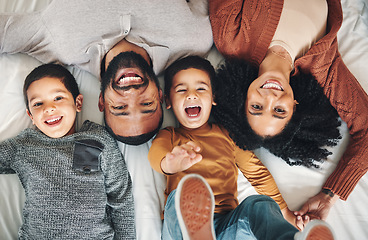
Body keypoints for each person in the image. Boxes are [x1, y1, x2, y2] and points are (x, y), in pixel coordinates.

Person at [0, 1, 213, 238]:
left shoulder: (58, 40)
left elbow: (120, 198)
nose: (132, 94)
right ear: (161, 96)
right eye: (146, 104)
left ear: (100, 101)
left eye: (120, 107)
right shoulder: (195, 37)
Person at [209, 0, 368, 221]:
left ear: (244, 97)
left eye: (257, 107)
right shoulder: (323, 66)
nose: (270, 98)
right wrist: (329, 196)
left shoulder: (232, 37)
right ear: (295, 105)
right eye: (279, 111)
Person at [147, 55, 335, 239]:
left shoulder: (227, 135)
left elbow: (257, 173)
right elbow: (156, 154)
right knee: (178, 200)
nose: (192, 95)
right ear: (168, 102)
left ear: (213, 97)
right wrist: (170, 164)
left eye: (201, 88)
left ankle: (287, 237)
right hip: (181, 222)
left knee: (259, 204)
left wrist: (285, 214)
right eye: (181, 90)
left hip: (227, 224)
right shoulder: (170, 135)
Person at [0, 63, 135, 239]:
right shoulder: (24, 145)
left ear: (78, 103)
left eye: (58, 98)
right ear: (31, 116)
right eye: (38, 103)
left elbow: (121, 196)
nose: (48, 108)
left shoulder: (97, 140)